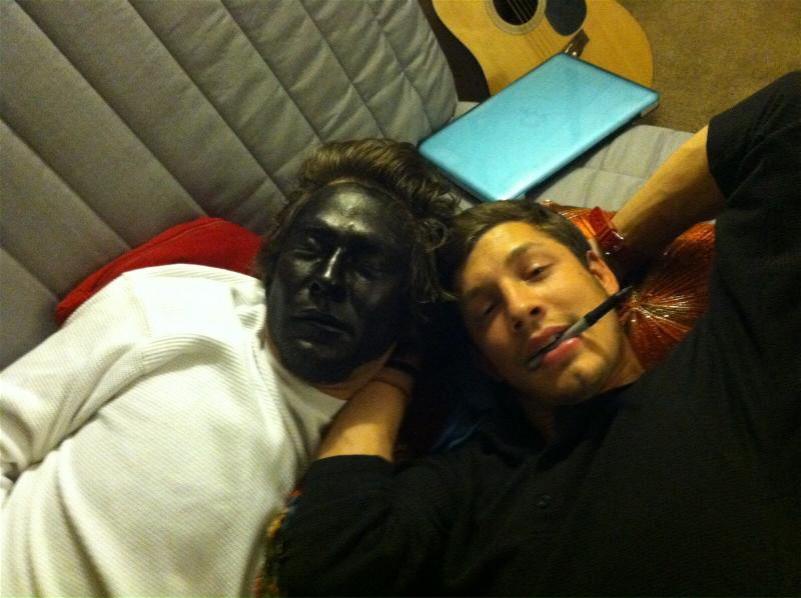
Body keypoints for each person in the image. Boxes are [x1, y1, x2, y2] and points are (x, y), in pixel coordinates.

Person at [273, 74, 801, 596]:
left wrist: (619, 244)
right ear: (485, 360)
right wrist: (401, 365)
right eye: (487, 309)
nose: (521, 308)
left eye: (536, 271)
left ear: (597, 273)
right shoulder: (476, 486)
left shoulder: (730, 369)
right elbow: (328, 567)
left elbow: (785, 116)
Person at [0, 139, 457, 596]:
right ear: (274, 264)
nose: (326, 279)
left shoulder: (398, 474)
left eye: (367, 265)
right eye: (312, 248)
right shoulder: (169, 306)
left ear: (412, 304)